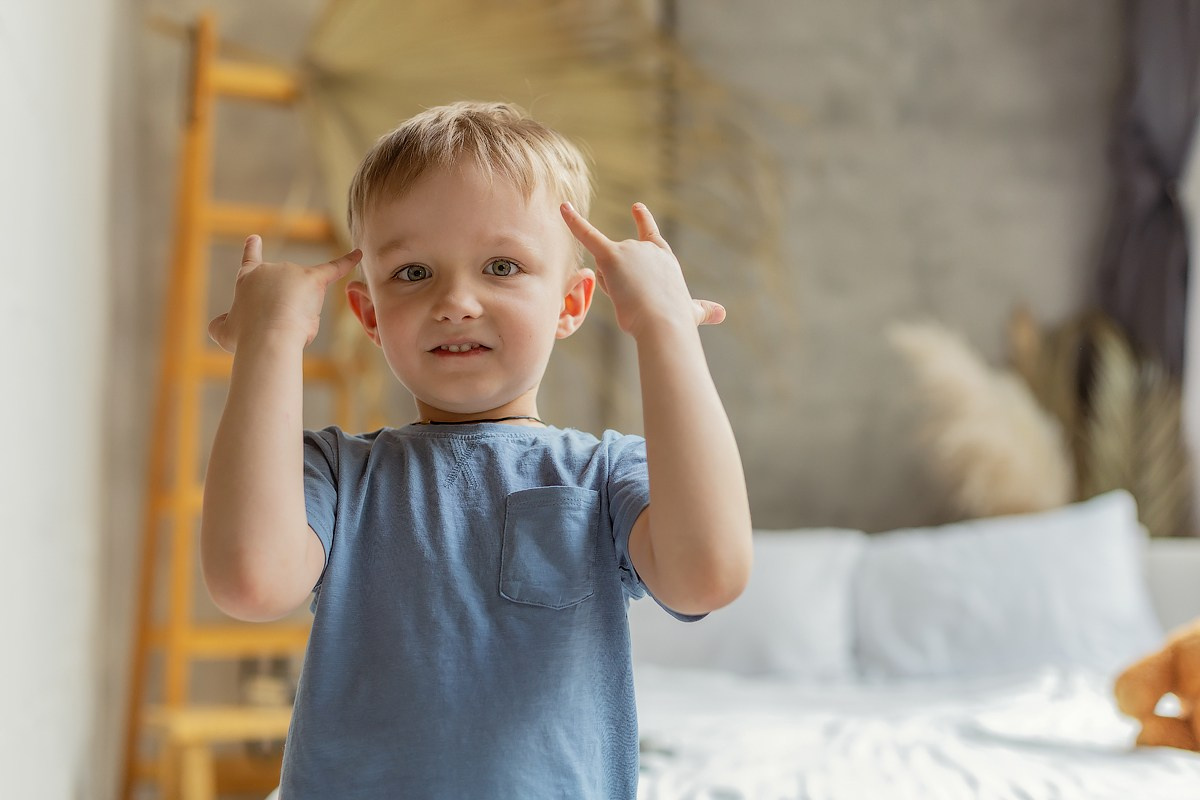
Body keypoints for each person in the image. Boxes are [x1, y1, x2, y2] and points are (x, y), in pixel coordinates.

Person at [200, 101, 753, 799]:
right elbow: (250, 583)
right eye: (412, 273)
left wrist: (666, 327)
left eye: (501, 265)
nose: (456, 300)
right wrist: (268, 344)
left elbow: (709, 574)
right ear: (369, 315)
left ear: (572, 304)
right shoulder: (336, 475)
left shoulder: (605, 476)